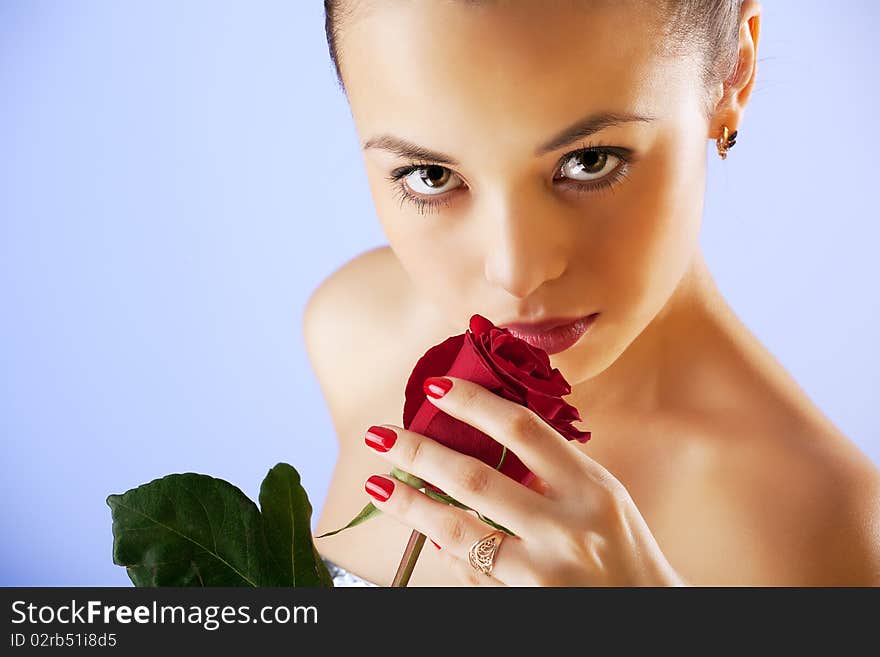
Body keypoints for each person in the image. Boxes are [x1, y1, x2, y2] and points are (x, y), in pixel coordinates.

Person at [305, 0, 880, 586]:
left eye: (588, 161)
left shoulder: (823, 536)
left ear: (734, 68)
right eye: (430, 175)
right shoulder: (355, 326)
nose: (515, 272)